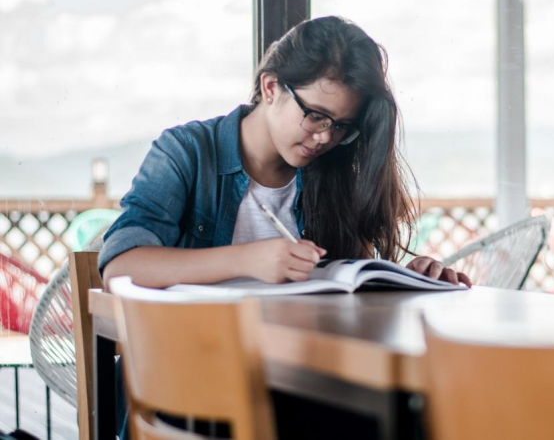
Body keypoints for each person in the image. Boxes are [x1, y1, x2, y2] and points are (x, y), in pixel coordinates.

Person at [100, 16, 471, 289]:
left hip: (292, 367)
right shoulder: (187, 152)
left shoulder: (331, 170)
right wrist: (248, 259)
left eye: (341, 125)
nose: (326, 137)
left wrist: (412, 277)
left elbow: (352, 285)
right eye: (316, 116)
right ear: (272, 86)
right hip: (186, 367)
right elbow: (121, 266)